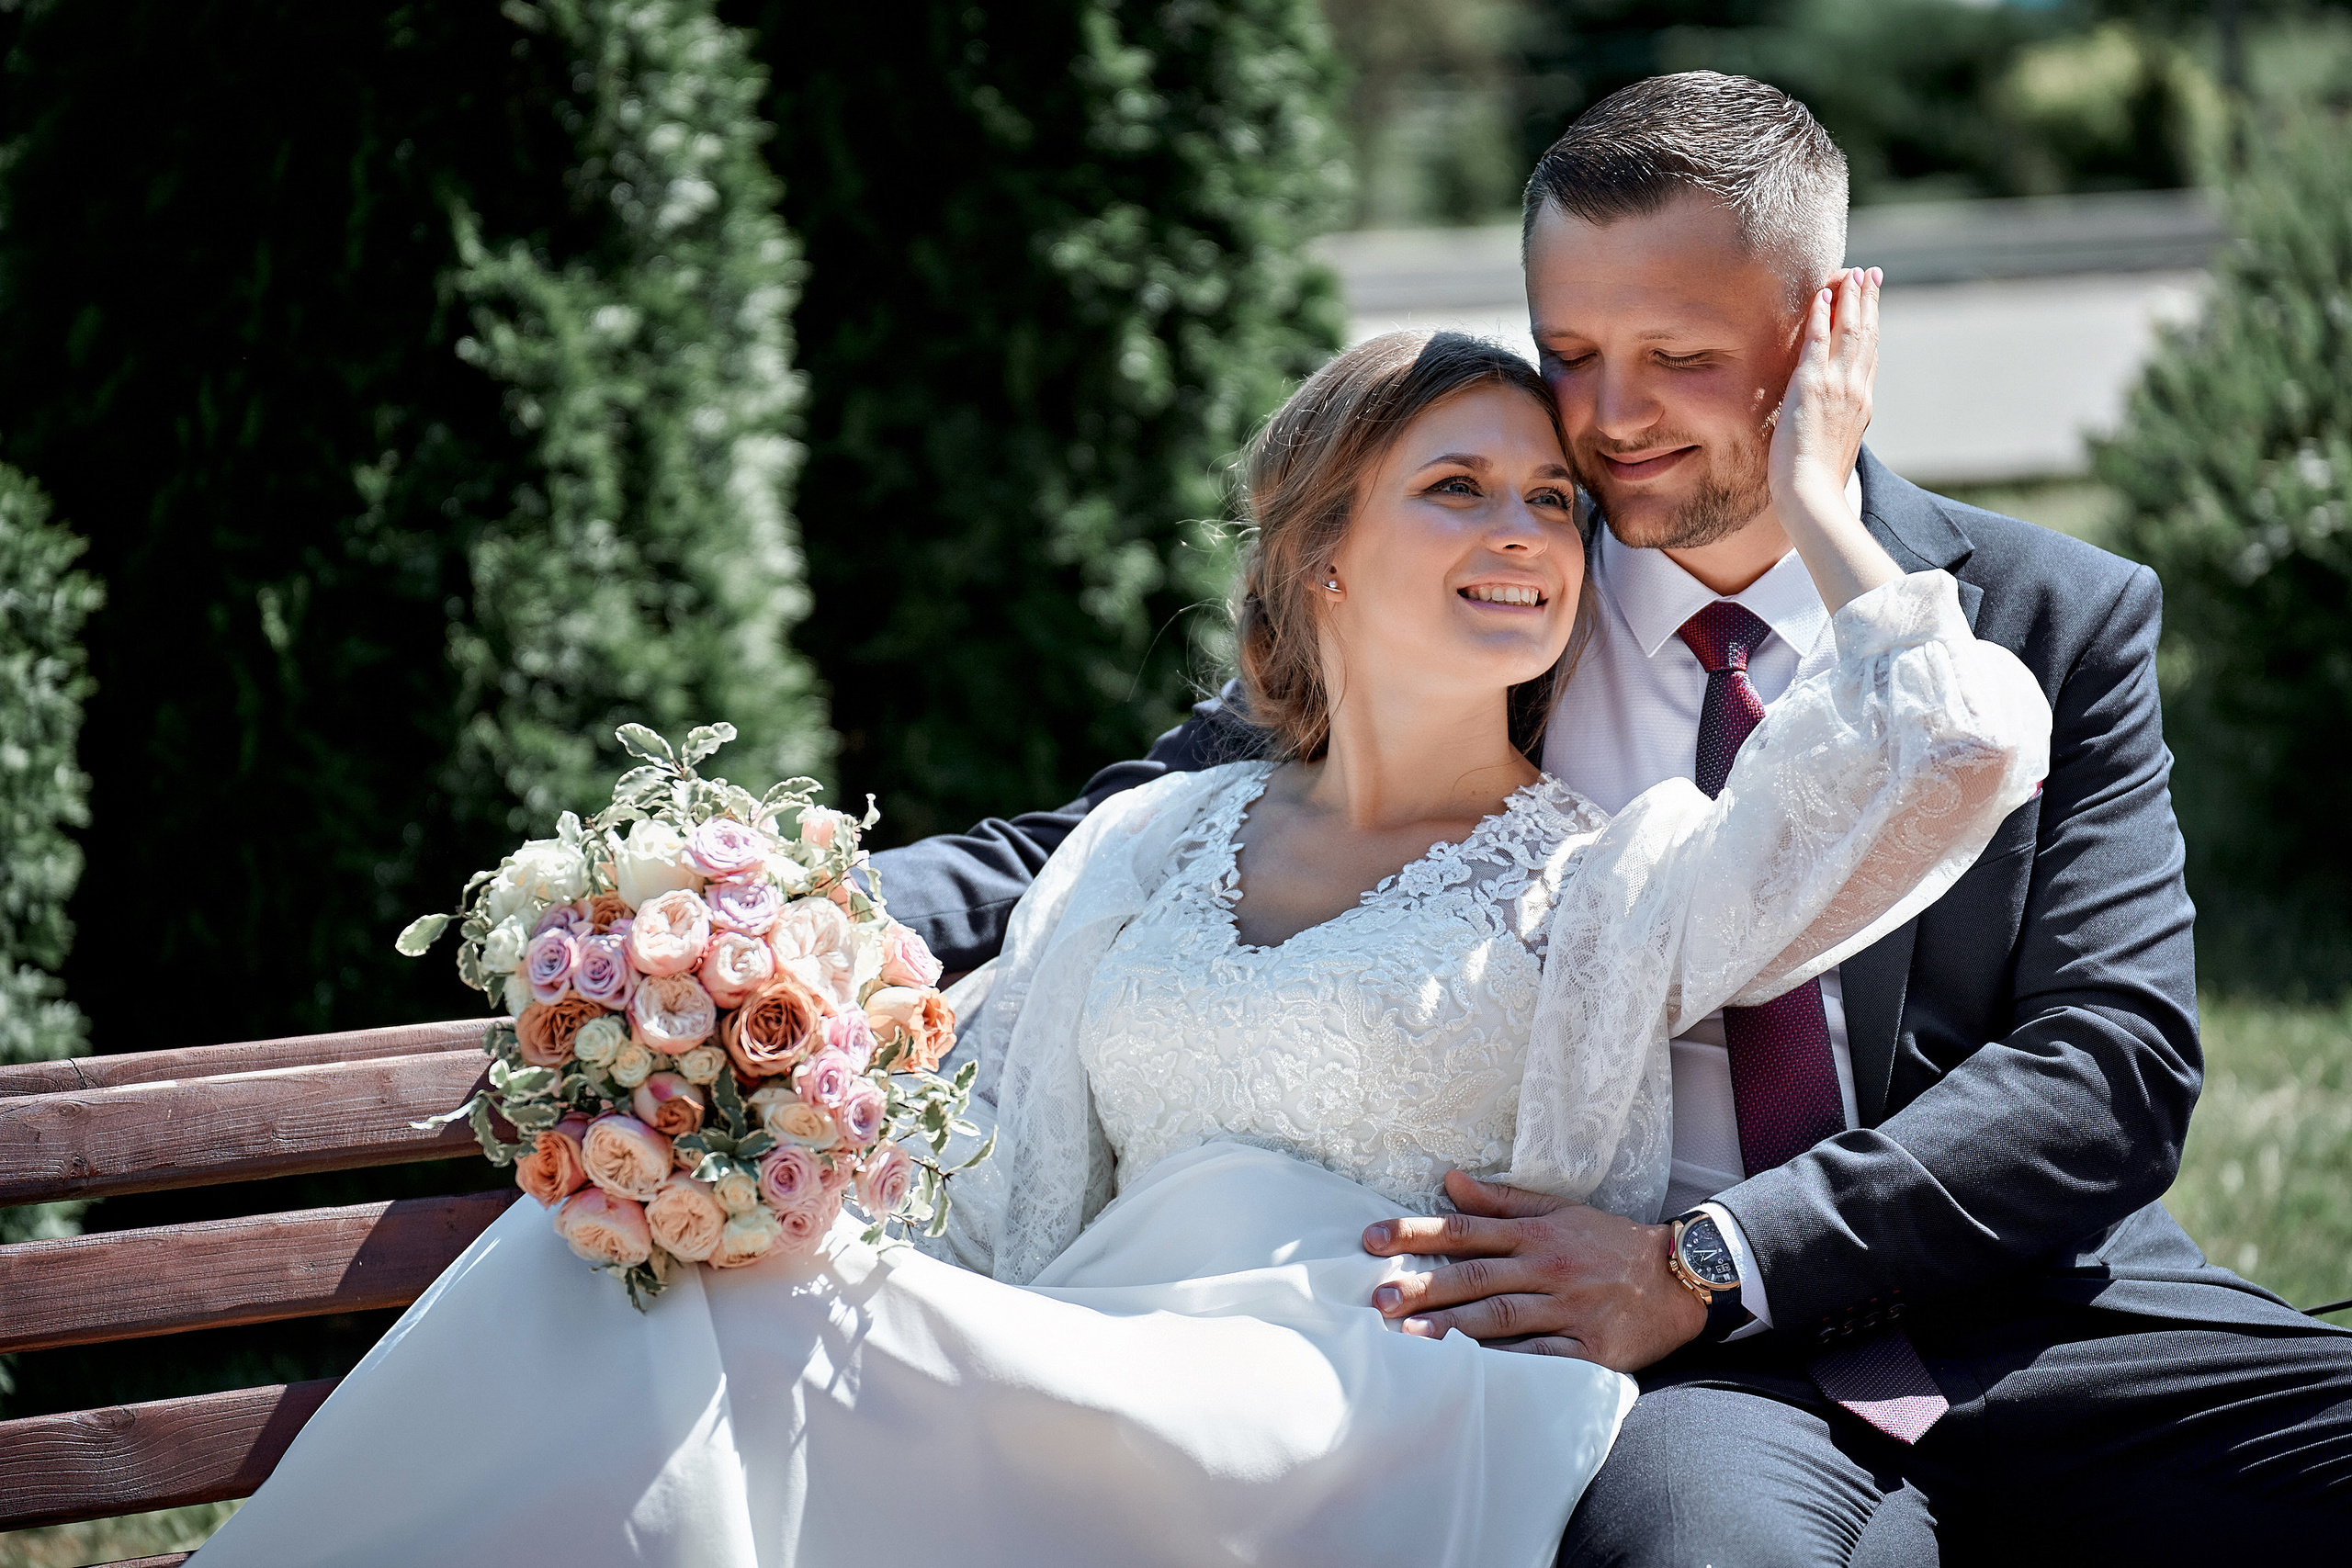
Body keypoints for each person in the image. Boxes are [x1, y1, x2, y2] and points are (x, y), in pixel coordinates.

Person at [192, 268, 2046, 1563]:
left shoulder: (1614, 875)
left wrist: (1819, 499)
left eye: (1552, 501)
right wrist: (737, 1119)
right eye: (1456, 488)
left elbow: (1953, 745)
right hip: (1089, 1360)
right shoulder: (1153, 838)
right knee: (636, 1258)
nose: (1524, 532)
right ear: (1320, 557)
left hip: (1360, 1405)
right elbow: (988, 1176)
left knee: (701, 1316)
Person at [872, 73, 2352, 1562]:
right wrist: (782, 905)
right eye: (1571, 354)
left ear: (1822, 333)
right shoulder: (1477, 596)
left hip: (2034, 1310)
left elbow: (2109, 1061)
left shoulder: (2045, 614)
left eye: (1679, 357)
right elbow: (1115, 838)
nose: (1613, 419)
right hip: (1708, 1385)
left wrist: (1713, 1260)